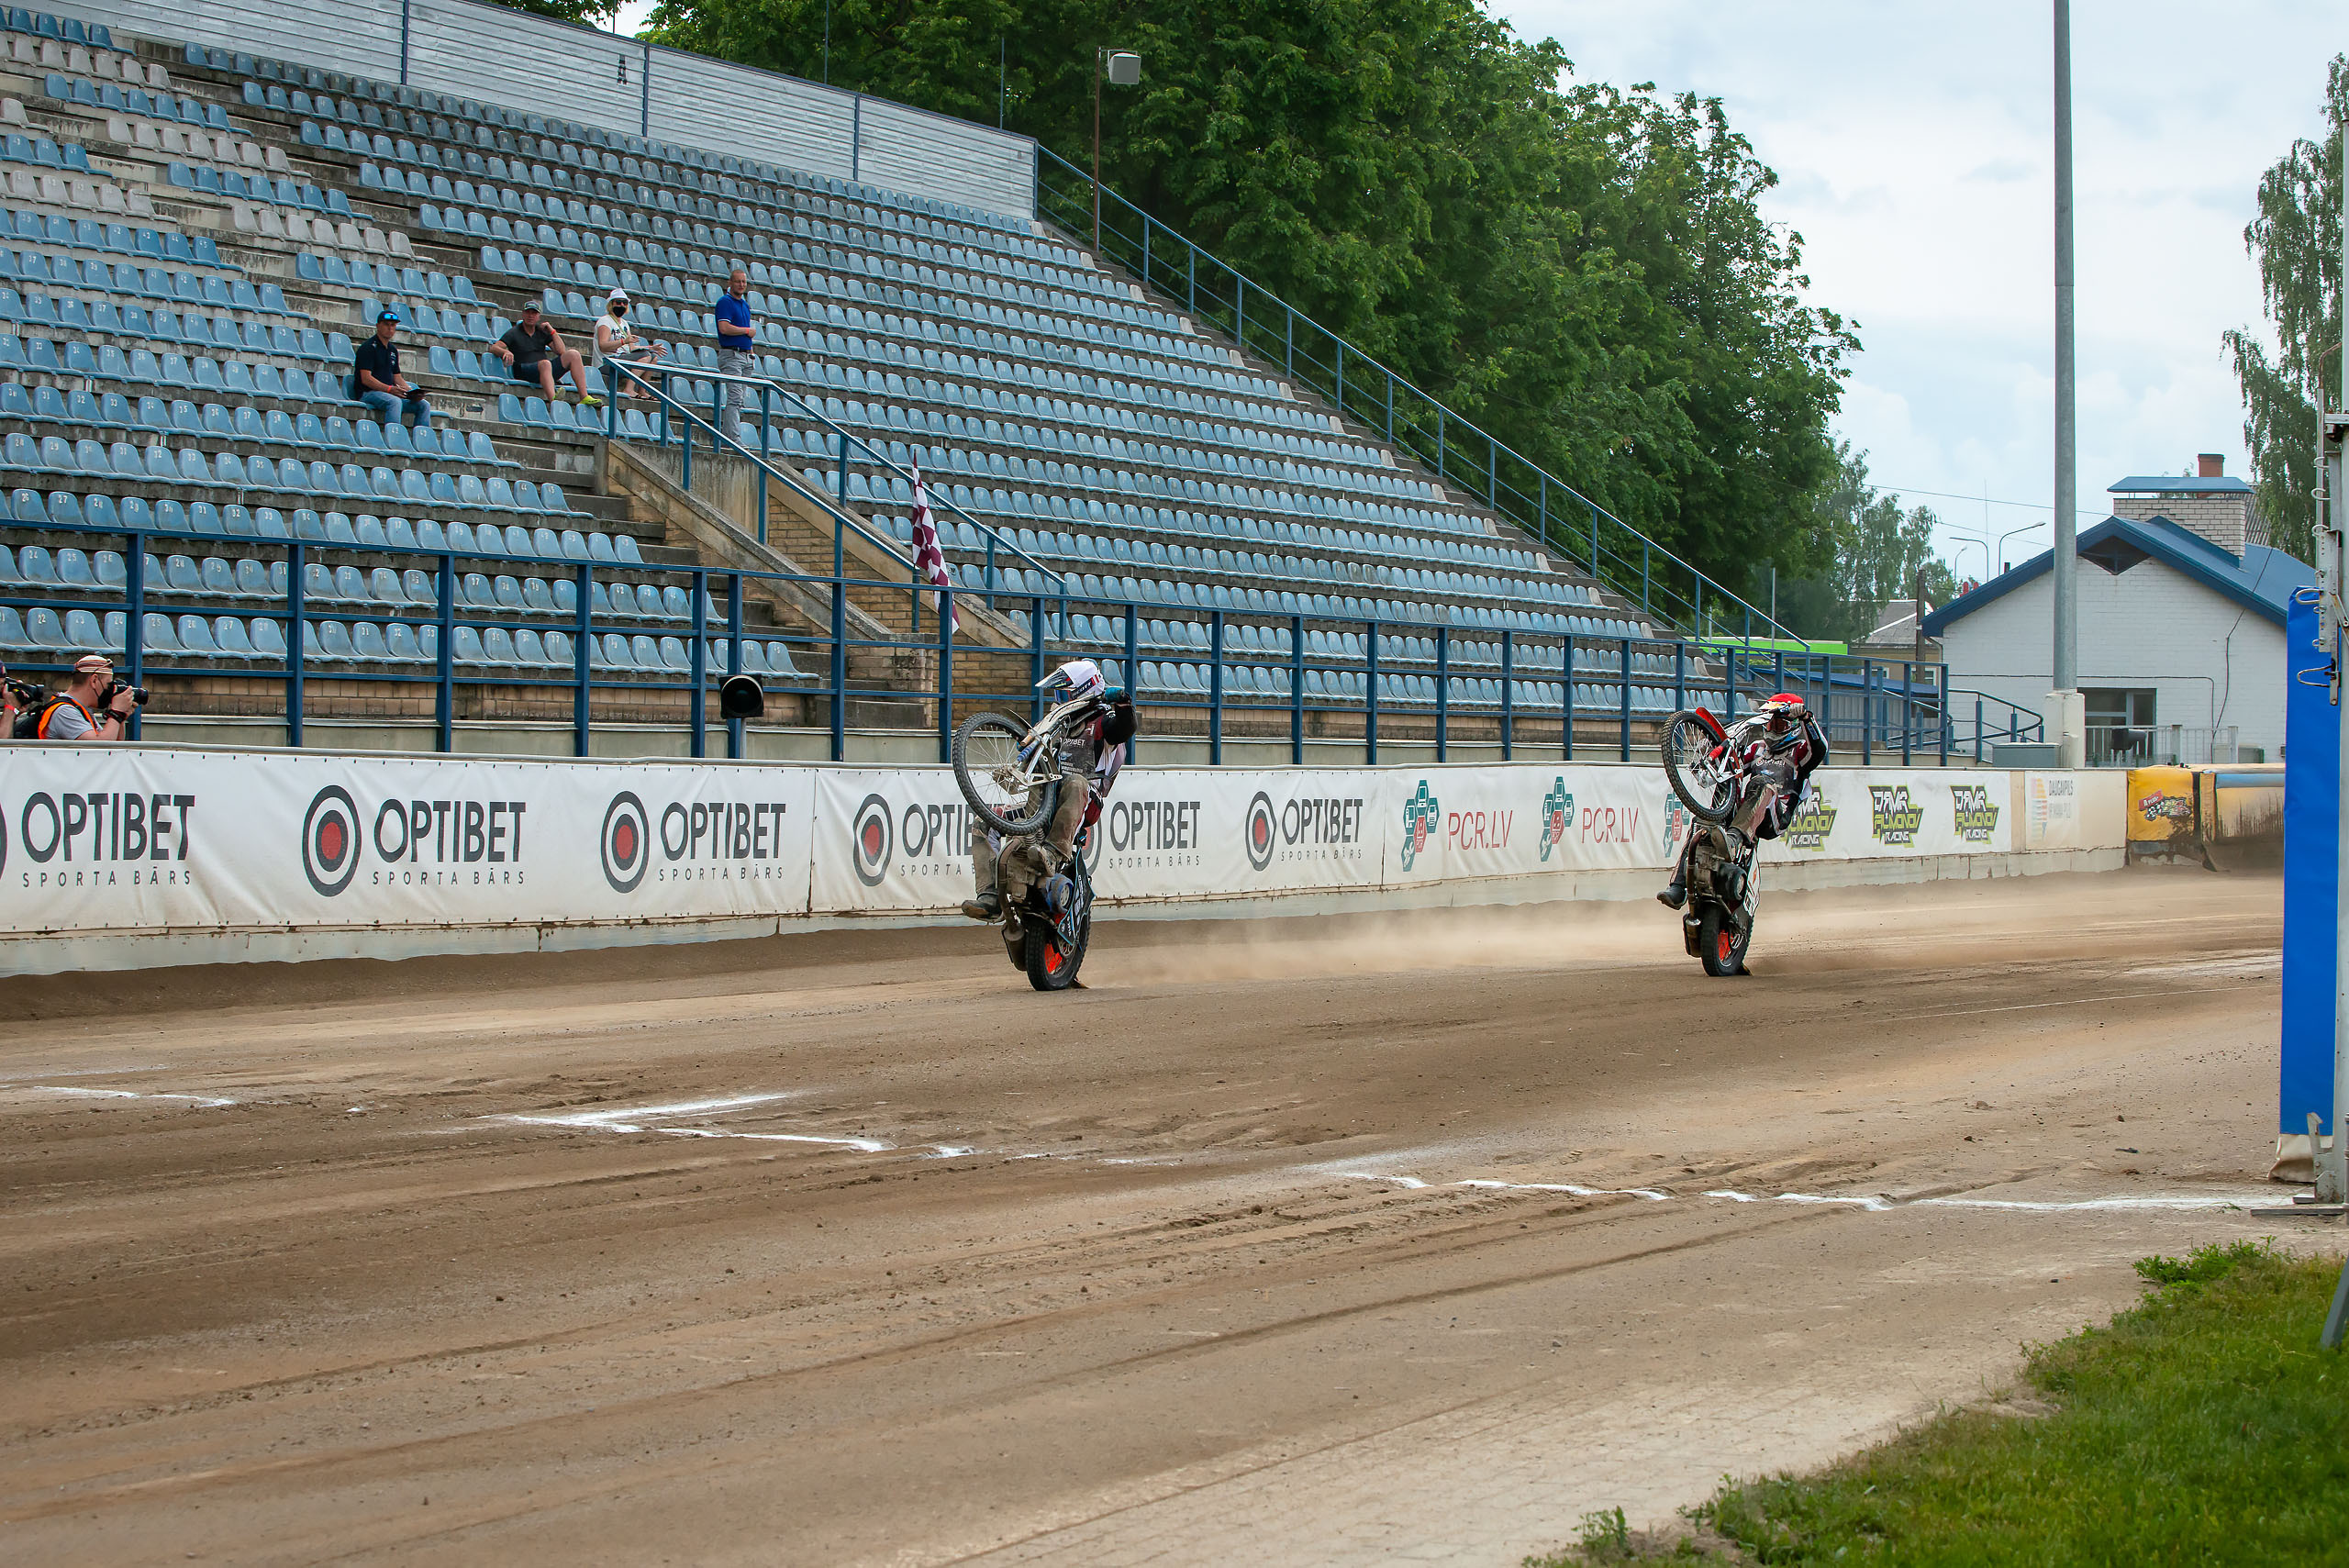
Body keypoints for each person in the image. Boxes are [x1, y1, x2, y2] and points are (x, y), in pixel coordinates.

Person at [964, 659, 1137, 922]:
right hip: (1045, 801)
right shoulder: (1057, 723)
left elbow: (1126, 727)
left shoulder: (1104, 721)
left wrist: (1123, 702)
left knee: (1075, 782)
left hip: (1084, 799)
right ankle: (989, 896)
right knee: (983, 823)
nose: (1060, 698)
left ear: (1085, 690)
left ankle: (1053, 852)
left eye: (1065, 693)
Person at [1658, 693, 1827, 908]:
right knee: (1709, 809)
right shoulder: (1757, 748)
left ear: (1793, 726)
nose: (1773, 728)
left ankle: (1734, 839)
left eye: (1780, 724)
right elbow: (1722, 772)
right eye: (1771, 723)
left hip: (1774, 816)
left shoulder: (1800, 752)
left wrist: (1806, 718)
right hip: (1747, 811)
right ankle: (1678, 887)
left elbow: (1820, 748)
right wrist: (1707, 753)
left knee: (1761, 782)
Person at [494, 303, 602, 407]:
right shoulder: (514, 332)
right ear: (523, 314)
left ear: (538, 316)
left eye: (534, 313)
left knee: (574, 354)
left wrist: (552, 331)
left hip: (545, 370)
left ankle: (584, 396)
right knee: (545, 364)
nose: (530, 316)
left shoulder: (541, 331)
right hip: (523, 370)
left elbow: (561, 351)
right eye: (528, 313)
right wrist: (505, 352)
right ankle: (554, 400)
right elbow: (494, 347)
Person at [23, 653, 138, 741]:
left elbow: (113, 747)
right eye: (109, 684)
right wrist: (116, 713)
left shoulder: (82, 709)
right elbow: (100, 748)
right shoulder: (65, 711)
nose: (111, 690)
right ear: (94, 680)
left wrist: (120, 717)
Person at [351, 309, 432, 430]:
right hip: (368, 393)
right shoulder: (367, 348)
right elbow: (366, 379)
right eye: (386, 324)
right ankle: (394, 437)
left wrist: (410, 392)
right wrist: (389, 389)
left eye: (393, 325)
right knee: (395, 402)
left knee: (423, 405)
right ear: (378, 326)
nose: (390, 328)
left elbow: (397, 377)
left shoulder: (392, 350)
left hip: (387, 393)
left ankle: (421, 439)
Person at [594, 287, 667, 401]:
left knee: (653, 357)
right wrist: (623, 341)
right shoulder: (605, 321)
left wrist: (650, 347)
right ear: (611, 304)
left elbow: (631, 347)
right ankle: (628, 389)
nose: (622, 305)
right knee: (645, 356)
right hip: (606, 362)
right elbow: (603, 346)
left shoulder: (624, 323)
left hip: (620, 359)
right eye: (618, 302)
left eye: (625, 303)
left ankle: (642, 390)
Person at [714, 266, 755, 428]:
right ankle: (733, 439)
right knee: (735, 398)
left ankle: (732, 434)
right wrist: (746, 331)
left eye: (744, 281)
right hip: (732, 355)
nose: (741, 284)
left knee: (740, 400)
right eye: (738, 281)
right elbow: (724, 327)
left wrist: (750, 351)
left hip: (745, 356)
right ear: (730, 283)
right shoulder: (725, 302)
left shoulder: (744, 304)